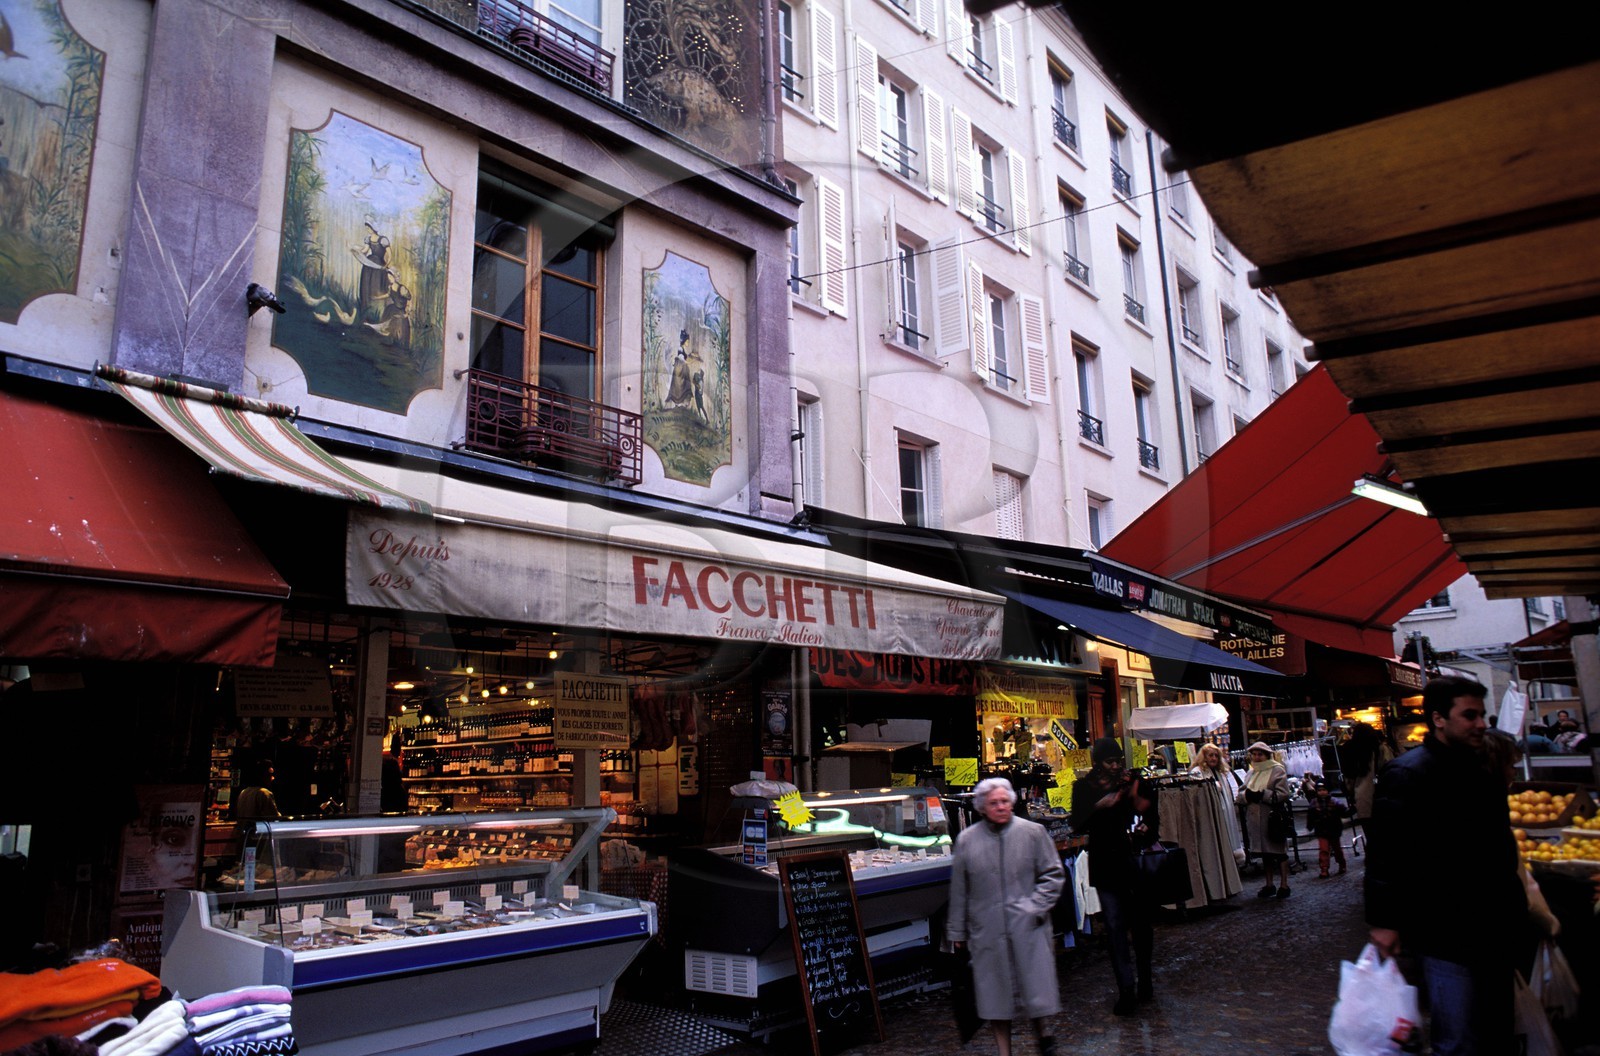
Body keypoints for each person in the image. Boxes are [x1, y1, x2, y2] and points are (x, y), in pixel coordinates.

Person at [1366, 675, 1525, 1055]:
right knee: (1456, 1037)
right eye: (1469, 715)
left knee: (1495, 1031)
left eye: (1482, 715)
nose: (1481, 724)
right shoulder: (1408, 773)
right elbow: (1386, 854)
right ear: (1439, 718)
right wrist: (1385, 922)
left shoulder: (1483, 766)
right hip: (1444, 928)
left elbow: (1499, 843)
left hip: (1495, 922)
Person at [948, 777, 1063, 1056]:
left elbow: (1053, 874)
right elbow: (960, 890)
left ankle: (1043, 1035)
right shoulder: (967, 841)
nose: (1000, 807)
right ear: (982, 808)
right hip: (987, 930)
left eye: (1004, 801)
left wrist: (1034, 906)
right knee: (995, 998)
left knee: (1035, 991)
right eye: (993, 803)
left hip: (1028, 928)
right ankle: (1004, 1052)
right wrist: (958, 932)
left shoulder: (1033, 833)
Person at [1072, 737, 1159, 1016]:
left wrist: (1145, 828)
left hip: (1135, 863)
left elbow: (1153, 817)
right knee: (1114, 928)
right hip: (1107, 864)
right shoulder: (1083, 787)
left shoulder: (1135, 783)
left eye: (1117, 760)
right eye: (1109, 761)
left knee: (1142, 927)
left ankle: (1145, 980)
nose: (1114, 766)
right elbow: (1077, 823)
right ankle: (1126, 990)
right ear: (1097, 762)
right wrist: (1101, 805)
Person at [1236, 741, 1292, 898]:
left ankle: (1284, 884)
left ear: (1267, 755)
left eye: (1260, 754)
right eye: (1254, 754)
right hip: (1255, 819)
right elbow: (1241, 793)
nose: (1257, 757)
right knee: (1265, 853)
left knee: (1279, 852)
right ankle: (1269, 884)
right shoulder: (1251, 772)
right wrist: (1247, 796)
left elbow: (1283, 794)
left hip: (1272, 818)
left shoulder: (1277, 770)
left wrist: (1263, 795)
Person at [1188, 742, 1244, 863]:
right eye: (1210, 755)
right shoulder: (1197, 772)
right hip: (1209, 813)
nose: (1214, 758)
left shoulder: (1221, 772)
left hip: (1225, 811)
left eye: (1216, 755)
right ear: (1204, 757)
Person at [1300, 773, 1346, 879]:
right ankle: (1324, 868)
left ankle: (1341, 864)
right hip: (1321, 830)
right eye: (1320, 790)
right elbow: (1311, 815)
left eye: (1324, 790)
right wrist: (1310, 825)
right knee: (1324, 849)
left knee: (1337, 849)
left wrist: (1350, 811)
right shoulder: (1314, 803)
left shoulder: (1335, 802)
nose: (1322, 792)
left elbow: (1343, 811)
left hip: (1334, 830)